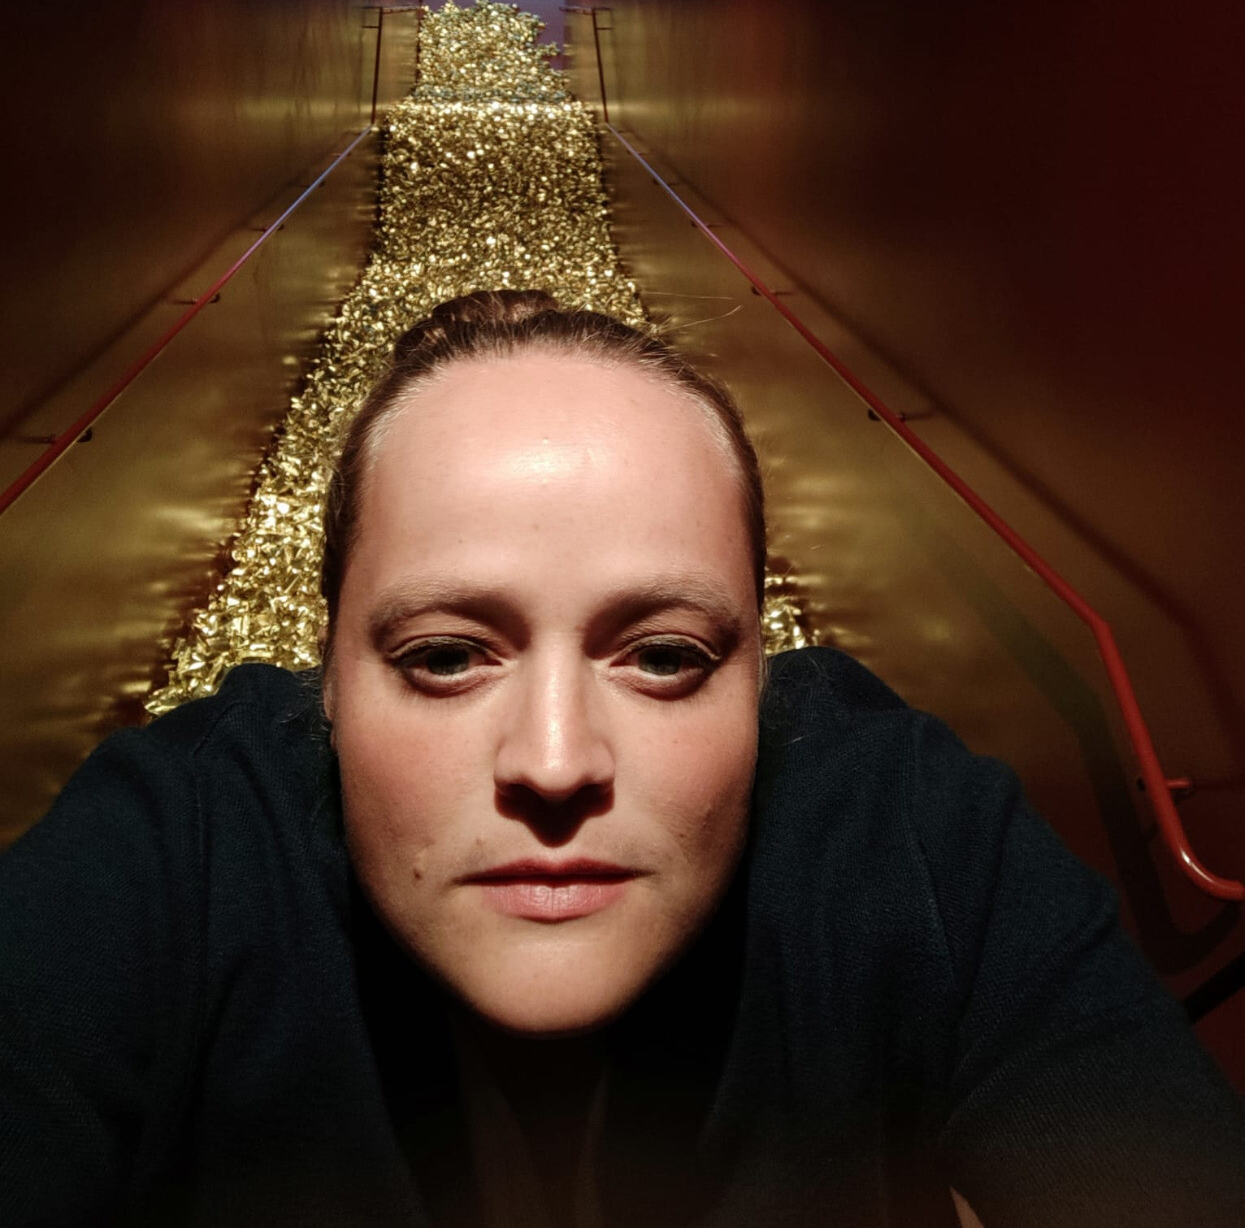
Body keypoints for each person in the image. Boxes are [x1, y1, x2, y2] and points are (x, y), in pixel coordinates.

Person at [1, 289, 1243, 1228]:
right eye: (446, 656)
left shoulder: (914, 837)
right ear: (324, 680)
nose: (555, 762)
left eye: (662, 657)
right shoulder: (170, 853)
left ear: (763, 678)